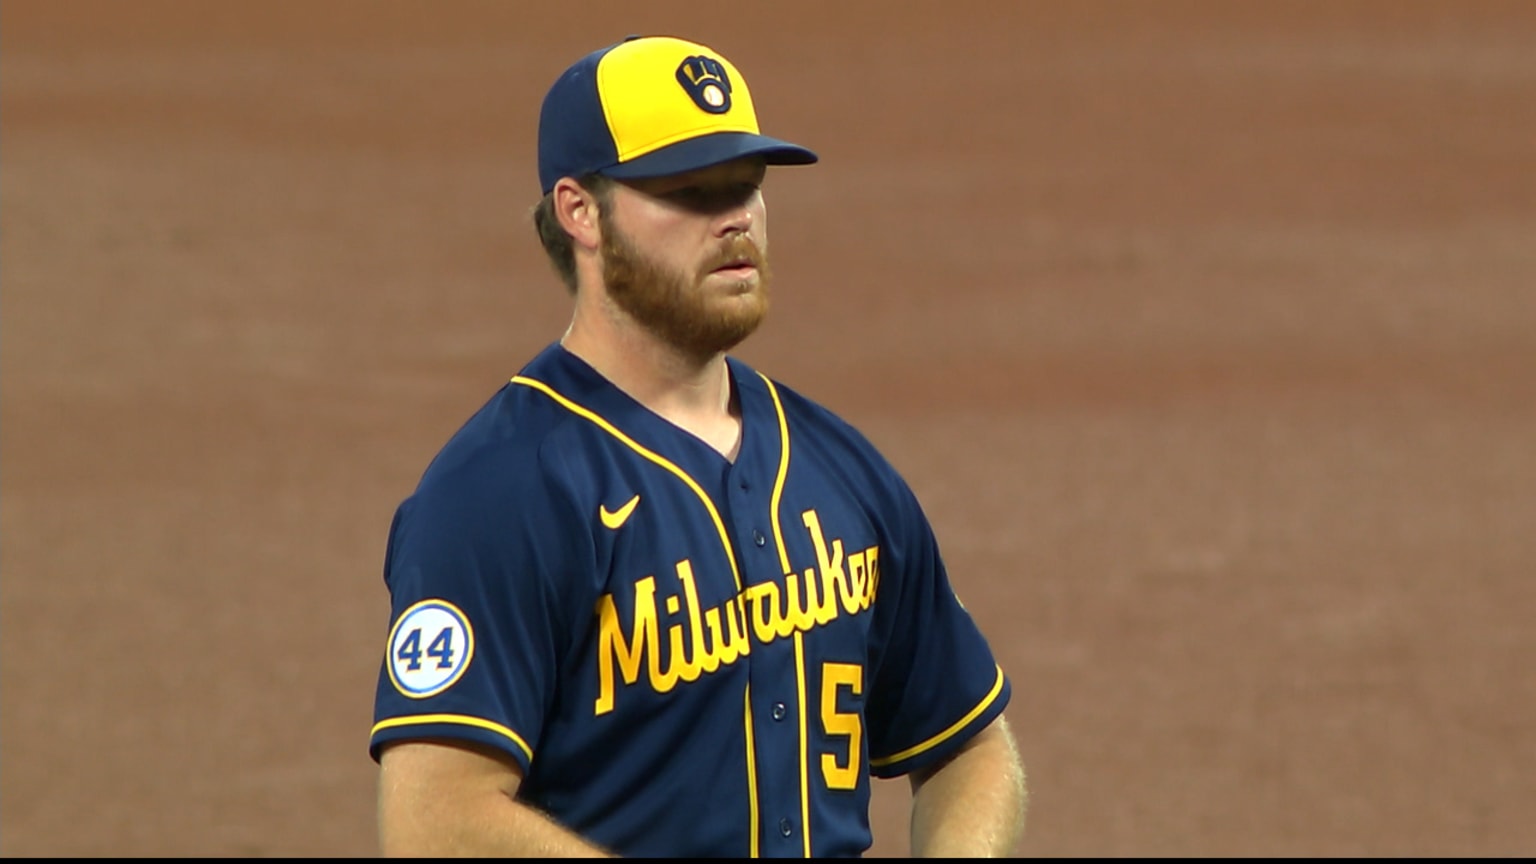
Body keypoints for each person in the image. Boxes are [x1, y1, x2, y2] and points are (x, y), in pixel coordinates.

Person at [369, 33, 1027, 858]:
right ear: (581, 213)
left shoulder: (840, 469)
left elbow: (968, 741)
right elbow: (435, 824)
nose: (734, 218)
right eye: (688, 192)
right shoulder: (499, 493)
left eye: (746, 187)